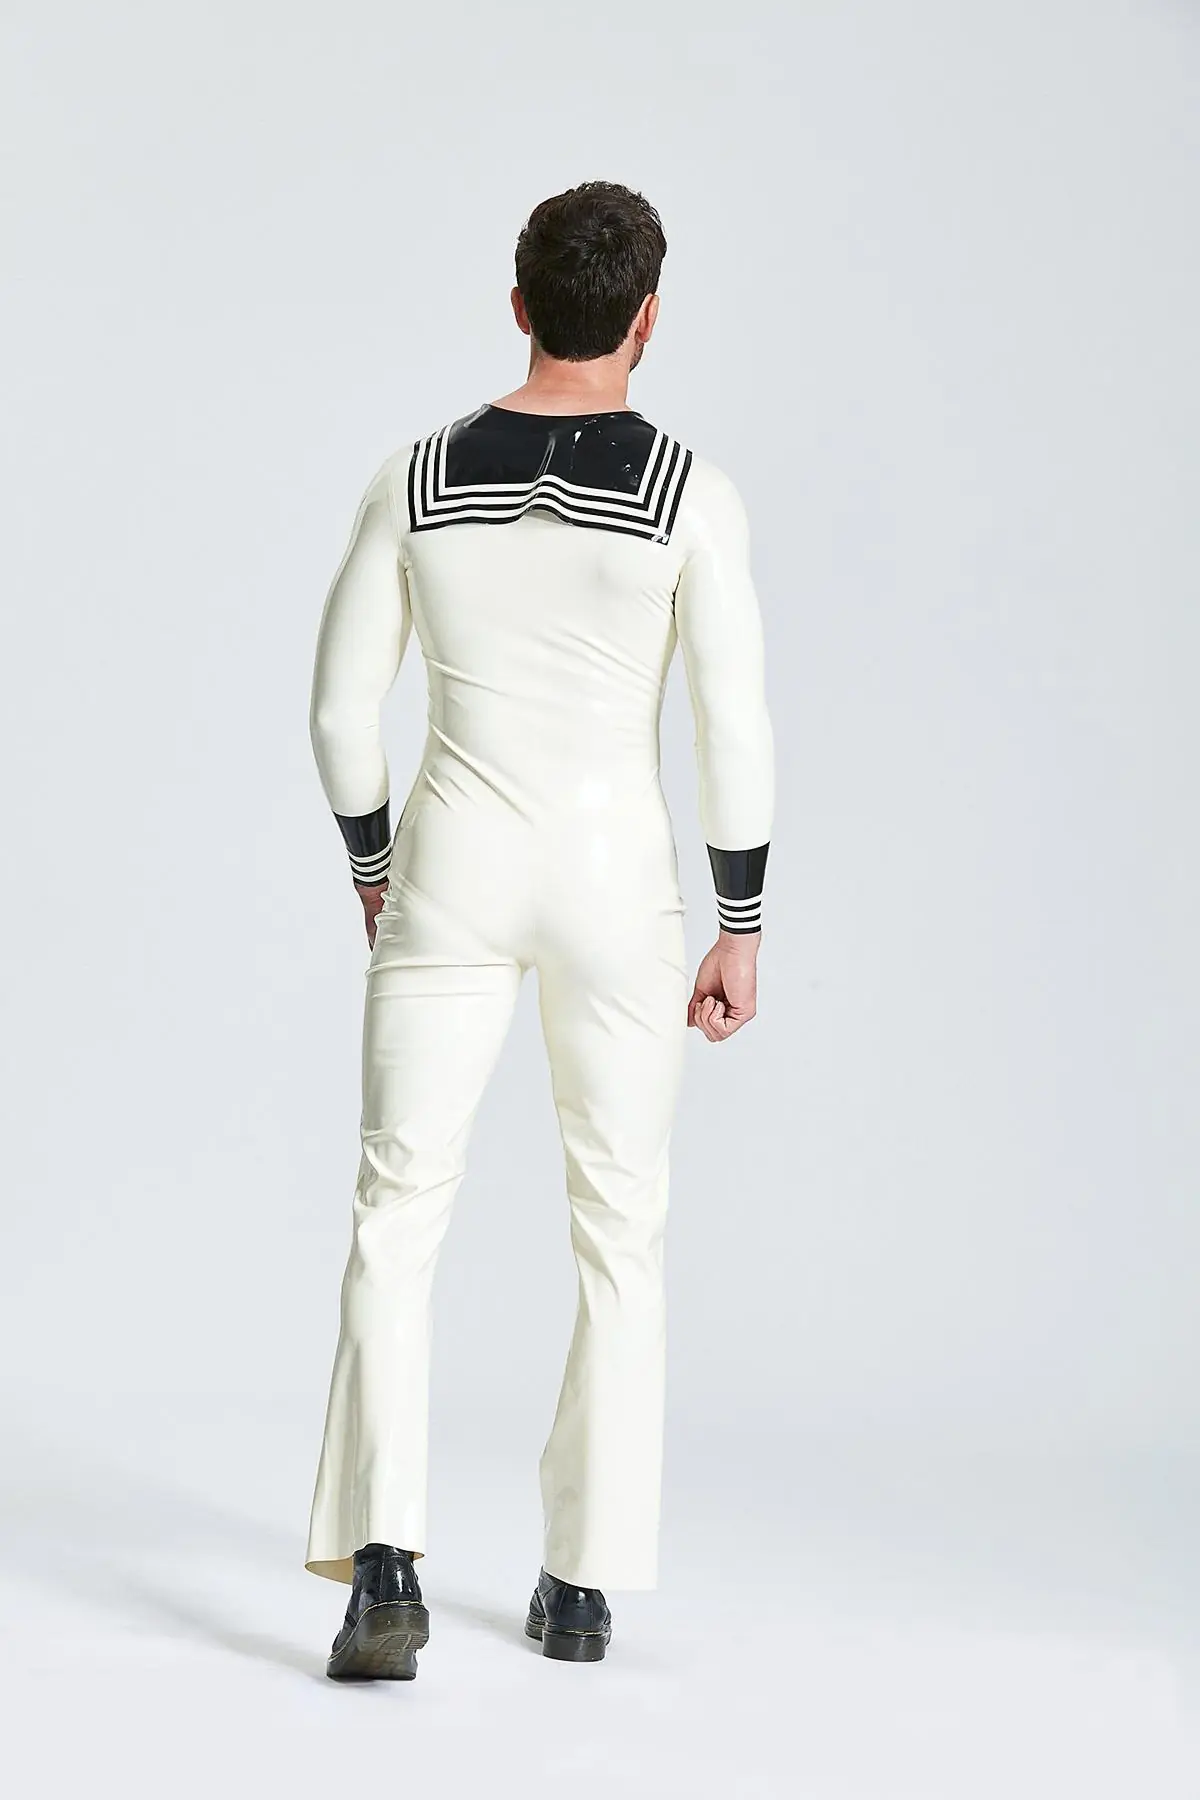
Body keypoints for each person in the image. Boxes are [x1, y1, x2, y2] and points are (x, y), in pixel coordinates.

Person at [305, 180, 774, 1678]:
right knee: (619, 1223)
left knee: (397, 1207)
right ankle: (579, 1587)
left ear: (518, 305)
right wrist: (741, 921)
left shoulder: (414, 476)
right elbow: (733, 726)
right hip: (616, 877)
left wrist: (374, 867)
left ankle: (384, 1570)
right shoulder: (692, 493)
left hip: (452, 858)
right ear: (648, 320)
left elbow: (340, 714)